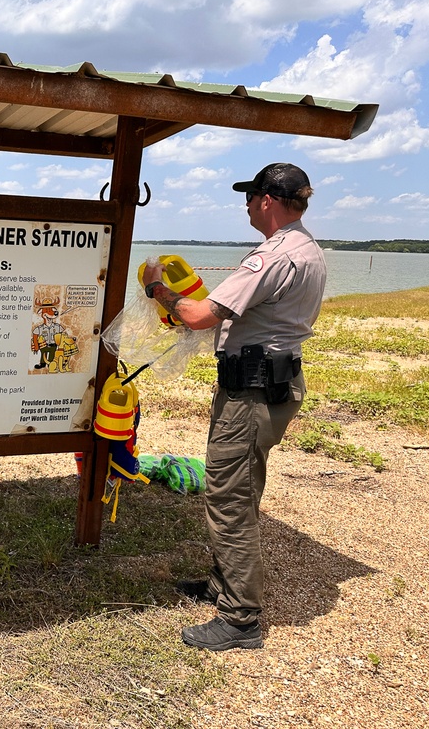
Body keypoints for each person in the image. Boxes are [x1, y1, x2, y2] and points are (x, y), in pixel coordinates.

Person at [141, 163, 326, 651]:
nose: (245, 204)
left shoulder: (274, 255)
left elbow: (201, 315)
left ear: (267, 199)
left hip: (252, 393)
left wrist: (158, 290)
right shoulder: (307, 249)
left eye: (249, 196)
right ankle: (225, 587)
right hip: (269, 387)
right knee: (240, 490)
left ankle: (240, 619)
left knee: (228, 497)